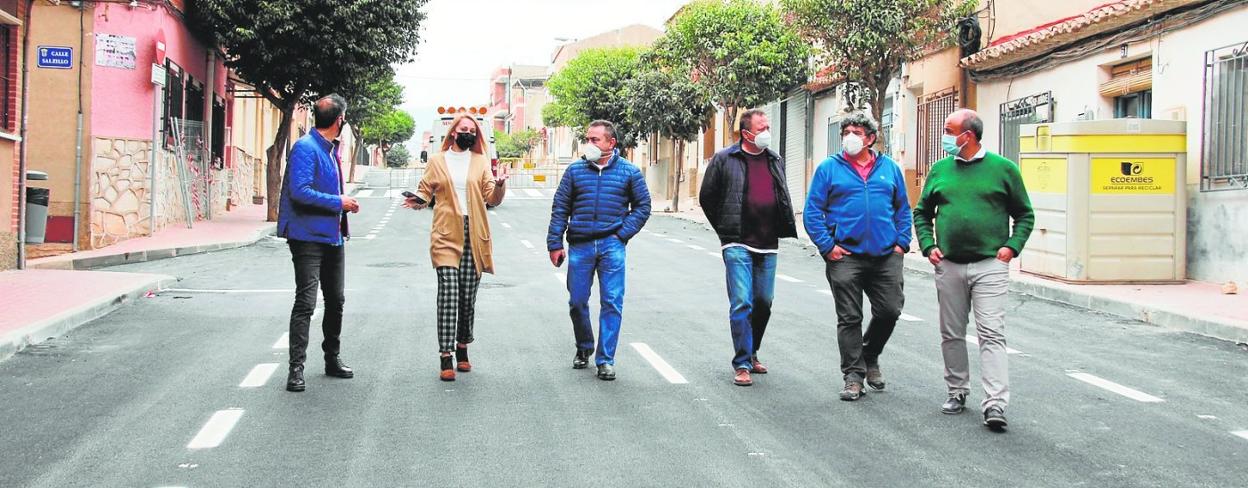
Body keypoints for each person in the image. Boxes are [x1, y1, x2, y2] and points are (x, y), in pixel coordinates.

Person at [913, 108, 1034, 431]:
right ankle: (957, 390)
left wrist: (1011, 248)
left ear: (968, 135)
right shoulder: (939, 171)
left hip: (989, 265)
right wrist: (928, 245)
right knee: (951, 332)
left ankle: (995, 403)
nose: (945, 136)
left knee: (991, 333)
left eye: (949, 130)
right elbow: (922, 212)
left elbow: (1025, 214)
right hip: (949, 264)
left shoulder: (1003, 170)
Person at [803, 113, 911, 401]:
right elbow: (813, 212)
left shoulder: (890, 168)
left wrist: (902, 242)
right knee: (850, 316)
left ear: (871, 138)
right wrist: (827, 246)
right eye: (846, 131)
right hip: (845, 256)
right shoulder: (829, 168)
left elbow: (903, 208)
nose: (850, 136)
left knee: (890, 310)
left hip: (886, 255)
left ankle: (870, 354)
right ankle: (853, 376)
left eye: (857, 131)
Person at [404, 113, 508, 381]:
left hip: (474, 233)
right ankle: (446, 356)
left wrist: (500, 184)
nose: (468, 133)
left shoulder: (480, 161)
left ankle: (463, 346)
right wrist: (417, 200)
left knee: (467, 298)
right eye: (464, 129)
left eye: (472, 131)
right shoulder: (438, 161)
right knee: (449, 292)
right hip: (446, 234)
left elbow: (491, 198)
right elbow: (425, 192)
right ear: (452, 132)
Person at [698, 109, 797, 387]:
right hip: (737, 242)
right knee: (742, 301)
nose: (767, 132)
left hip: (768, 242)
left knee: (764, 301)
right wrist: (725, 229)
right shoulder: (724, 159)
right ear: (746, 134)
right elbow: (707, 197)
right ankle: (741, 363)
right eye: (761, 128)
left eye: (768, 126)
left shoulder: (775, 159)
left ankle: (752, 350)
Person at [547, 120, 651, 381]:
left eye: (595, 139)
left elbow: (642, 206)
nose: (589, 144)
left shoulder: (629, 172)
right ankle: (584, 347)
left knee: (612, 302)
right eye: (588, 139)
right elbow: (560, 208)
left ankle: (606, 359)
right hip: (580, 245)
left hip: (611, 246)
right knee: (577, 302)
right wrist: (555, 243)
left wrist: (621, 234)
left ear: (610, 143)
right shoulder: (575, 171)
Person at [276, 94, 359, 392]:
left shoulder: (329, 150)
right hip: (307, 238)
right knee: (306, 303)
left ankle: (331, 358)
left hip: (333, 237)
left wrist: (341, 207)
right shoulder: (306, 148)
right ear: (340, 120)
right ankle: (295, 368)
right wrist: (339, 201)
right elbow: (299, 191)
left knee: (336, 300)